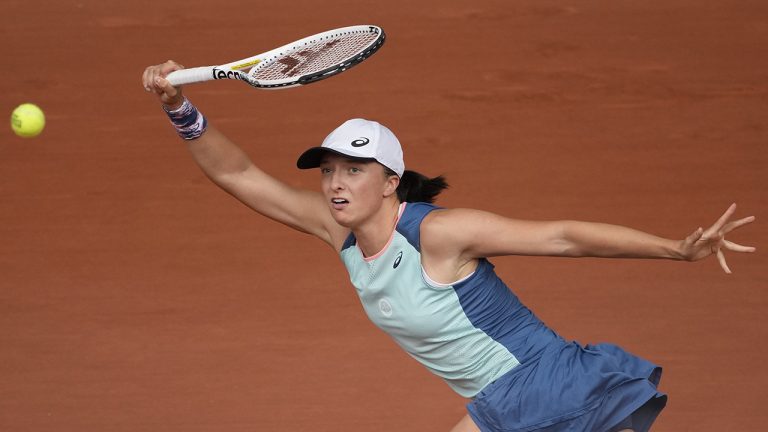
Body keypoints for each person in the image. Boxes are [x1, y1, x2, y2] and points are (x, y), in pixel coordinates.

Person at [142, 60, 755, 432]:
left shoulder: (437, 233)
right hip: (512, 399)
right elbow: (238, 175)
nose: (335, 183)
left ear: (390, 182)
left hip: (538, 383)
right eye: (328, 171)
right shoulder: (340, 230)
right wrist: (180, 107)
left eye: (354, 171)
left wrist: (676, 249)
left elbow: (562, 237)